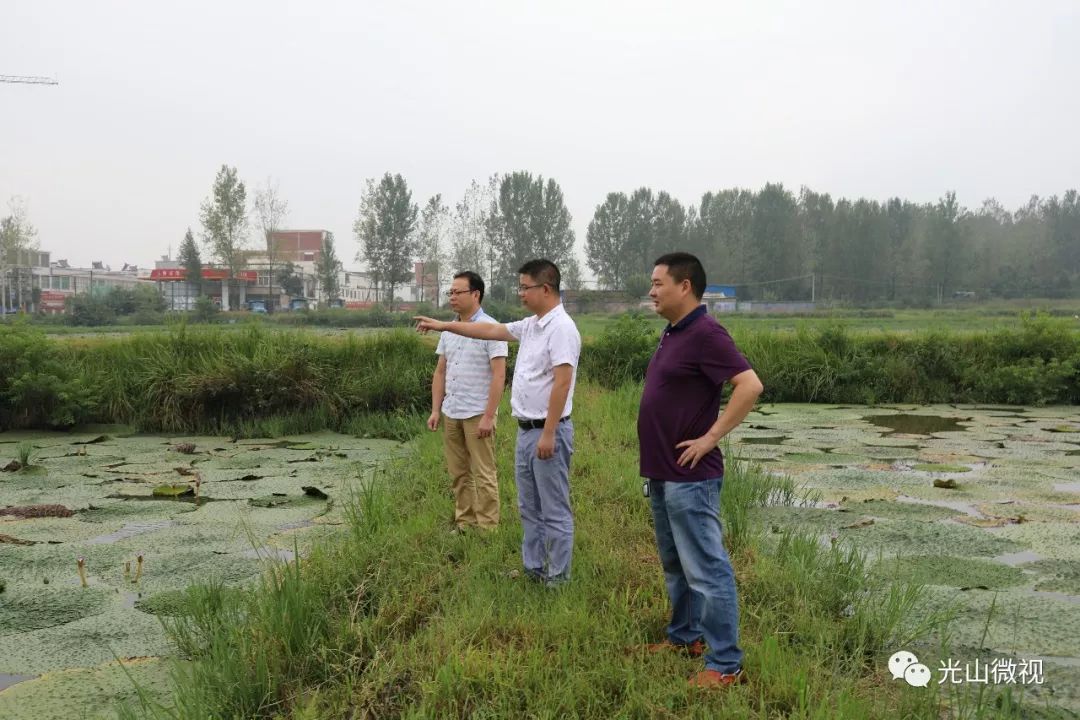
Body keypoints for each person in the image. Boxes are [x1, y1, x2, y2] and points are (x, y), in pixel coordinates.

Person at [638, 252, 764, 688]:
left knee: (707, 570)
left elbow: (750, 385)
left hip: (692, 478)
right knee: (676, 565)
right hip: (662, 472)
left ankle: (725, 664)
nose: (651, 291)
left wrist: (710, 438)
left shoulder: (707, 333)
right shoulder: (674, 332)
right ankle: (685, 637)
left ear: (685, 285)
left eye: (658, 283)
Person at [416, 259, 581, 586]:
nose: (520, 293)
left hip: (546, 432)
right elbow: (489, 330)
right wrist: (443, 326)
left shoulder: (562, 328)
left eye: (524, 287)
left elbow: (562, 383)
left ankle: (557, 579)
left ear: (545, 289)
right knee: (529, 508)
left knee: (553, 510)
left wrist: (548, 434)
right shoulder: (532, 324)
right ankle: (534, 570)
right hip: (525, 430)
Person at [427, 270, 508, 532]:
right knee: (459, 473)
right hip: (452, 412)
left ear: (476, 294)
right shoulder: (448, 330)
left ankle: (487, 528)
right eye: (450, 292)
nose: (452, 297)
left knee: (484, 473)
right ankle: (465, 523)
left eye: (457, 292)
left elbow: (499, 375)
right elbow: (441, 371)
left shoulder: (491, 329)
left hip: (477, 413)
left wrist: (488, 415)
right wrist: (435, 410)